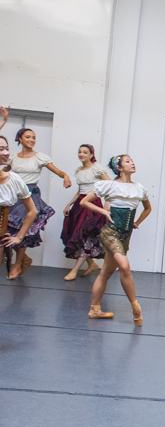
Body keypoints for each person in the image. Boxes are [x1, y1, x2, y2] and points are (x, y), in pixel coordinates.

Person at [81, 155, 151, 325]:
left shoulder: (139, 188)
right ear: (119, 167)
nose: (132, 163)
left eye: (132, 160)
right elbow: (84, 201)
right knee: (125, 267)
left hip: (125, 235)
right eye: (127, 161)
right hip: (110, 232)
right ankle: (135, 306)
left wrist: (137, 222)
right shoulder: (110, 185)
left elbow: (148, 208)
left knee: (106, 272)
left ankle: (95, 309)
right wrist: (103, 211)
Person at [5, 127, 70, 278]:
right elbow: (5, 172)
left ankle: (17, 264)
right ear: (20, 139)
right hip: (13, 195)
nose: (32, 140)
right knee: (7, 230)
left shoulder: (39, 157)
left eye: (34, 137)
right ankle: (25, 259)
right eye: (28, 137)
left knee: (23, 229)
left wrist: (65, 176)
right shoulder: (13, 157)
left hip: (30, 195)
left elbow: (58, 171)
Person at [61, 144, 110, 280]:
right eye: (79, 152)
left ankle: (74, 270)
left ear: (91, 155)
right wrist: (69, 204)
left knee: (86, 234)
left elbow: (110, 186)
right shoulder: (79, 170)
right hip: (80, 205)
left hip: (92, 204)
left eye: (85, 152)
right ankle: (91, 263)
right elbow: (80, 191)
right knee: (78, 235)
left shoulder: (97, 168)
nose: (81, 154)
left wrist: (107, 203)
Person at [0, 135, 38, 275]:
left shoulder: (13, 179)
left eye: (7, 149)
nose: (5, 153)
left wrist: (19, 237)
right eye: (0, 149)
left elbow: (32, 211)